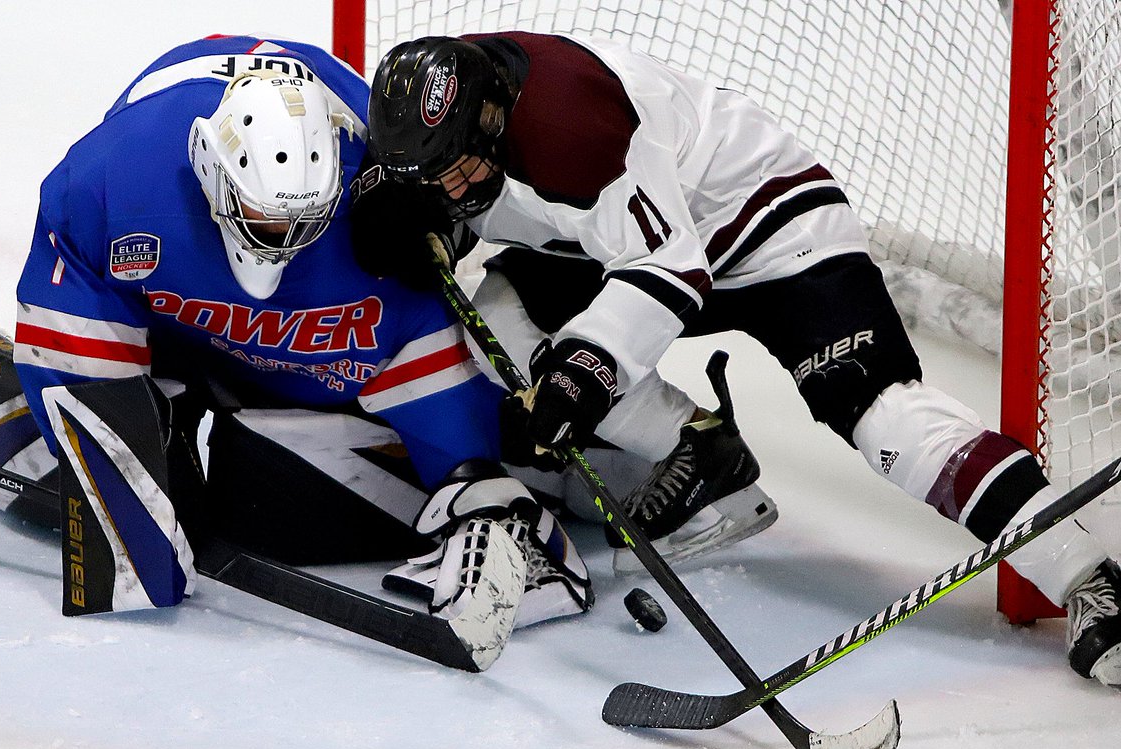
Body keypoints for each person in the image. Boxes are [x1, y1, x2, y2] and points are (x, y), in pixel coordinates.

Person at [359, 32, 1121, 686]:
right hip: (660, 236)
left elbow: (669, 271)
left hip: (779, 237)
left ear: (492, 117)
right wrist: (436, 226)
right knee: (502, 315)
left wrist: (577, 380)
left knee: (891, 424)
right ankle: (699, 453)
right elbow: (543, 218)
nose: (447, 183)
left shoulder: (570, 124)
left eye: (457, 165)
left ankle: (1086, 576)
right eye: (432, 173)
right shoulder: (461, 120)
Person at [9, 34, 593, 641]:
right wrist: (103, 455)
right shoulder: (113, 182)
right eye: (265, 217)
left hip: (328, 284)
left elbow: (416, 347)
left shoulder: (374, 229)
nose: (280, 242)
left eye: (301, 223)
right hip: (164, 291)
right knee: (135, 492)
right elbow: (69, 302)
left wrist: (477, 484)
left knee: (266, 513)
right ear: (212, 169)